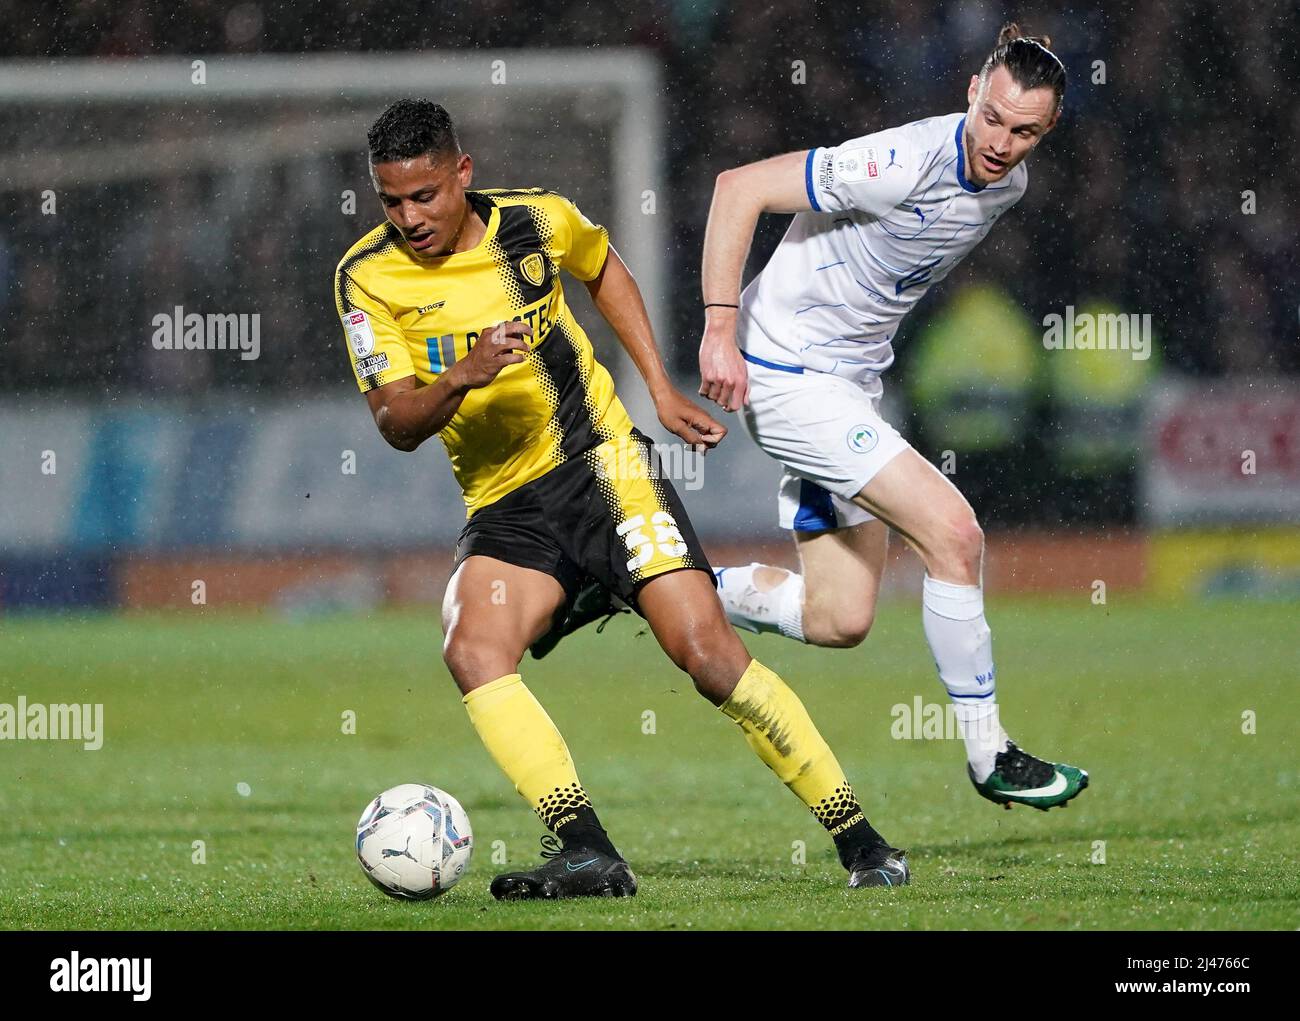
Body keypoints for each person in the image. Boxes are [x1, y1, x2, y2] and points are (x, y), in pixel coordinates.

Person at [335, 99, 910, 899]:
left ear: (462, 173)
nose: (409, 217)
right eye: (391, 201)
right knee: (472, 648)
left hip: (601, 467)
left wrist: (660, 388)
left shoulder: (537, 222)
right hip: (504, 503)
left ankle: (863, 841)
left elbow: (603, 268)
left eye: (425, 195)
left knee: (707, 656)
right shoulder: (366, 276)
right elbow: (396, 421)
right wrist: (462, 374)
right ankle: (588, 850)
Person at [697, 25, 1089, 811]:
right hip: (787, 375)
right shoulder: (899, 161)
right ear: (969, 94)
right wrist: (716, 327)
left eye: (1024, 131)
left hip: (848, 386)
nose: (1002, 143)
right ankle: (990, 755)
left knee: (838, 616)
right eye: (992, 118)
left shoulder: (1007, 185)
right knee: (955, 532)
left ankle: (656, 585)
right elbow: (737, 186)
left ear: (1045, 133)